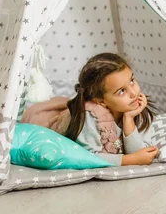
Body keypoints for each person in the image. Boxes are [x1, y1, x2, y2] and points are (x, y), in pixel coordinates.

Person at [21, 53, 159, 166]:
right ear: (101, 101)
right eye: (122, 91)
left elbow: (142, 154)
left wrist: (129, 120)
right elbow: (87, 157)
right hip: (46, 120)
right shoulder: (91, 118)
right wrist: (129, 160)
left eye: (132, 81)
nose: (134, 93)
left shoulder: (136, 107)